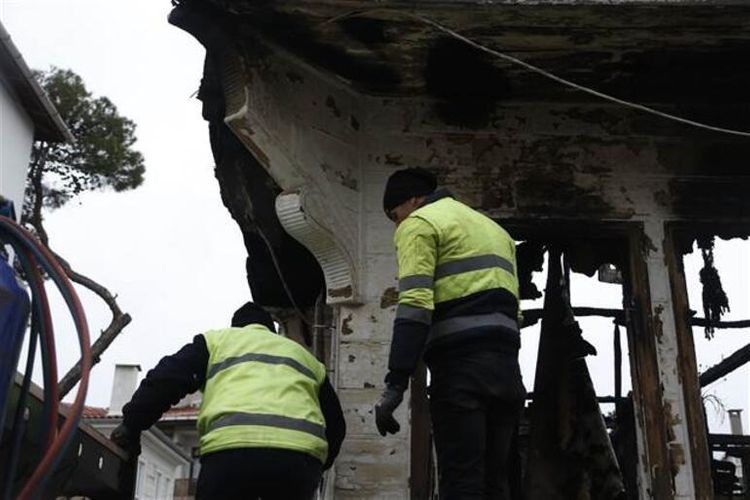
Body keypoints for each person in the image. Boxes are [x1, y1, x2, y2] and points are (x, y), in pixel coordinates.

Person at [375, 167, 526, 500]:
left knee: (462, 481)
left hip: (461, 371)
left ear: (413, 201)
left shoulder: (420, 223)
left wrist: (395, 383)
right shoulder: (495, 230)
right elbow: (515, 313)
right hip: (507, 372)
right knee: (497, 482)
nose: (397, 226)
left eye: (394, 215)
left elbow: (415, 304)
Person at [110, 302, 346, 500]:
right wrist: (318, 465)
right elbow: (336, 424)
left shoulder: (217, 342)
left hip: (230, 458)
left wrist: (132, 424)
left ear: (236, 327)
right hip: (297, 463)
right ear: (271, 330)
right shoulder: (304, 357)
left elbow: (166, 379)